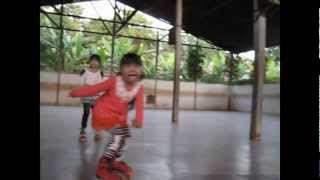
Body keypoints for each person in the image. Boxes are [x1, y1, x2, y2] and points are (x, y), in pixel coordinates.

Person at [69, 53, 144, 179]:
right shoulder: (115, 81)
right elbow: (96, 88)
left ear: (141, 70)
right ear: (121, 70)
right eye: (127, 66)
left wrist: (139, 119)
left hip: (118, 117)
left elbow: (140, 105)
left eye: (136, 66)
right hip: (102, 112)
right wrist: (76, 92)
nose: (132, 69)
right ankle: (103, 165)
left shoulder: (139, 88)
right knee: (119, 135)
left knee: (125, 135)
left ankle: (116, 160)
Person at [79, 54, 104, 142]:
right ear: (90, 61)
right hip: (86, 95)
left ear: (99, 63)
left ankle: (97, 133)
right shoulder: (84, 71)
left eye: (96, 60)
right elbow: (82, 84)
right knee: (86, 112)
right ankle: (83, 132)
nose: (94, 62)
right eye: (93, 60)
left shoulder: (100, 72)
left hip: (96, 97)